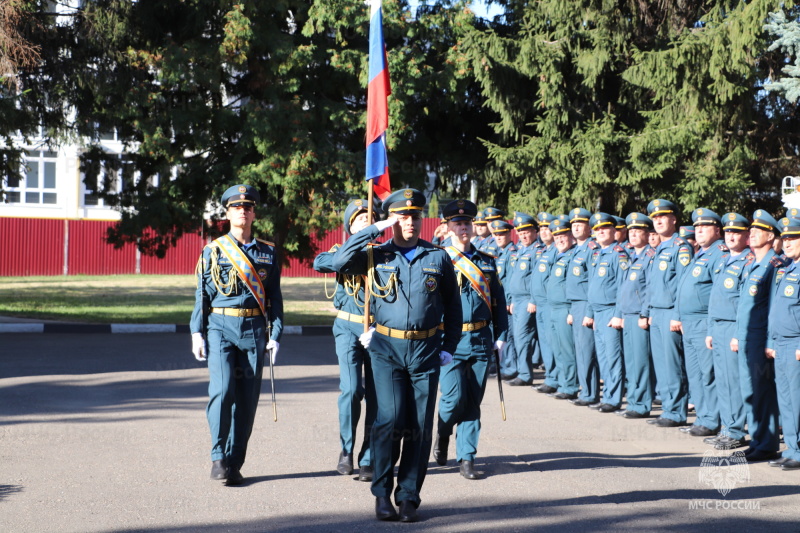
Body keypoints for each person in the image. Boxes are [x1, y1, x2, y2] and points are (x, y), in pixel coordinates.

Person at [332, 188, 461, 522]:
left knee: (418, 425)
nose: (410, 222)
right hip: (386, 350)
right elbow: (338, 260)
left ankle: (408, 496)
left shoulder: (438, 257)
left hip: (426, 351)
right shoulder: (377, 253)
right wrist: (375, 228)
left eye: (415, 216)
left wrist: (448, 347)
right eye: (403, 216)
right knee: (388, 420)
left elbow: (453, 307)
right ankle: (381, 493)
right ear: (392, 219)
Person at [190, 184, 284, 485]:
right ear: (227, 213)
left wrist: (276, 334)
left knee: (247, 400)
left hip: (254, 330)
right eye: (236, 207)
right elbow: (202, 296)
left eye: (247, 206)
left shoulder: (268, 253)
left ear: (254, 212)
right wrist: (197, 331)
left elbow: (275, 298)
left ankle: (234, 462)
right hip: (220, 328)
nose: (242, 211)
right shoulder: (214, 251)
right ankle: (218, 455)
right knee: (223, 389)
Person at [434, 200, 508, 480]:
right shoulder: (439, 258)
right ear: (449, 227)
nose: (463, 227)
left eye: (467, 223)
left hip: (479, 338)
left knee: (473, 401)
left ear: (473, 227)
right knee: (452, 398)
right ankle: (442, 434)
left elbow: (499, 303)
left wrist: (501, 337)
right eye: (457, 223)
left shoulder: (487, 262)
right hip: (449, 339)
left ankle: (467, 457)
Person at [312, 199, 377, 480]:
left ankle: (370, 456)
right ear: (350, 226)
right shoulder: (339, 253)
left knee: (379, 396)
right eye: (360, 219)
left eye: (370, 217)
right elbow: (322, 263)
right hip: (348, 328)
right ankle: (346, 450)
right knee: (351, 391)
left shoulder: (385, 254)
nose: (365, 221)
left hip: (378, 331)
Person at [733, 211, 783, 462]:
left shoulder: (774, 266)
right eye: (750, 229)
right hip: (746, 336)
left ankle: (766, 443)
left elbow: (775, 307)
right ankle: (757, 439)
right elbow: (744, 305)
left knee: (762, 391)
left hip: (761, 338)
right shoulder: (752, 263)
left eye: (758, 230)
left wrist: (770, 342)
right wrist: (736, 334)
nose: (751, 233)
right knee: (749, 391)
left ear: (770, 236)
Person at [674, 209, 727, 438]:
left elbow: (717, 292)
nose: (699, 231)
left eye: (704, 227)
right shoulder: (700, 253)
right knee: (694, 373)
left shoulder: (719, 253)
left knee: (708, 373)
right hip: (689, 322)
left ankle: (712, 419)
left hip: (703, 321)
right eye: (697, 227)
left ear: (717, 230)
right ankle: (703, 417)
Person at [704, 213, 752, 449]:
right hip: (719, 325)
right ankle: (727, 427)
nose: (731, 236)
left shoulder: (748, 262)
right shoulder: (723, 260)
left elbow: (746, 303)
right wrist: (711, 328)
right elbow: (716, 298)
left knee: (734, 381)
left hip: (733, 326)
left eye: (737, 232)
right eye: (728, 232)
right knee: (722, 379)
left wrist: (738, 333)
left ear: (746, 236)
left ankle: (735, 431)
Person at [645, 199, 693, 428]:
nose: (659, 221)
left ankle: (676, 412)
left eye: (663, 217)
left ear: (674, 219)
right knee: (662, 364)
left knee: (673, 364)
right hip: (657, 312)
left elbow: (684, 285)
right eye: (655, 218)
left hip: (670, 314)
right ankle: (667, 408)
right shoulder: (658, 249)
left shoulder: (680, 247)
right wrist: (649, 311)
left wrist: (677, 314)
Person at [586, 212, 630, 413]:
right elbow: (592, 286)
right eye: (597, 229)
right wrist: (591, 312)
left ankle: (613, 399)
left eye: (604, 228)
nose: (600, 232)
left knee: (613, 357)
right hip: (598, 311)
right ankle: (608, 396)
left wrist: (618, 314)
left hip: (611, 310)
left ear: (614, 231)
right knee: (603, 357)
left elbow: (624, 288)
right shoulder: (597, 254)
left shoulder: (619, 254)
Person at [766, 216, 800, 470]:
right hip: (781, 342)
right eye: (785, 238)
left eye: (793, 238)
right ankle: (792, 447)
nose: (787, 243)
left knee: (798, 399)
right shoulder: (785, 268)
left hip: (796, 343)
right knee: (786, 399)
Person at [616, 213, 656, 419]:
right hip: (628, 314)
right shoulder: (632, 256)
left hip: (639, 316)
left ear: (647, 234)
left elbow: (650, 288)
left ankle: (641, 405)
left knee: (640, 362)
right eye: (630, 231)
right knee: (631, 361)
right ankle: (633, 401)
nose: (632, 235)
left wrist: (644, 313)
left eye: (637, 231)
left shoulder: (650, 256)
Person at [565, 208, 600, 406]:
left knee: (587, 350)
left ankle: (590, 393)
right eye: (574, 225)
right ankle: (585, 391)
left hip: (586, 304)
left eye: (580, 224)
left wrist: (589, 311)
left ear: (588, 227)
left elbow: (593, 283)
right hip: (576, 304)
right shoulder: (576, 250)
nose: (576, 227)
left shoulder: (592, 249)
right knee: (580, 350)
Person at [546, 216, 581, 399]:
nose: (559, 239)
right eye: (556, 236)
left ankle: (570, 386)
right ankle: (563, 383)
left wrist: (570, 310)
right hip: (553, 308)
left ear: (570, 236)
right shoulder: (557, 255)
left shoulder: (573, 255)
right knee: (557, 349)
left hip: (565, 309)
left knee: (567, 350)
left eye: (563, 235)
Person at [504, 213, 539, 386]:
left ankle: (525, 374)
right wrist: (510, 300)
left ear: (534, 232)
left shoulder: (537, 251)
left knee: (522, 336)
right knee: (517, 337)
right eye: (520, 232)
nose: (524, 235)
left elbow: (537, 279)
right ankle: (521, 370)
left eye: (527, 232)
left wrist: (533, 299)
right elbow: (513, 277)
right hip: (516, 300)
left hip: (527, 300)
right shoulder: (521, 250)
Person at [530, 212, 559, 394]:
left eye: (547, 228)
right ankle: (551, 376)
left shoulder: (557, 250)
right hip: (540, 303)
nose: (543, 231)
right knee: (546, 344)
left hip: (550, 304)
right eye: (541, 228)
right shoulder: (543, 250)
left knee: (552, 343)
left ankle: (555, 378)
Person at [491, 219, 518, 380]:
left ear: (509, 234)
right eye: (496, 234)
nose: (499, 237)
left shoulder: (512, 253)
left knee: (509, 335)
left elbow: (511, 281)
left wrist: (509, 300)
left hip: (507, 301)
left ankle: (511, 366)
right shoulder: (498, 253)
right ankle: (504, 365)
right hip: (498, 301)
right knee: (502, 333)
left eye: (502, 234)